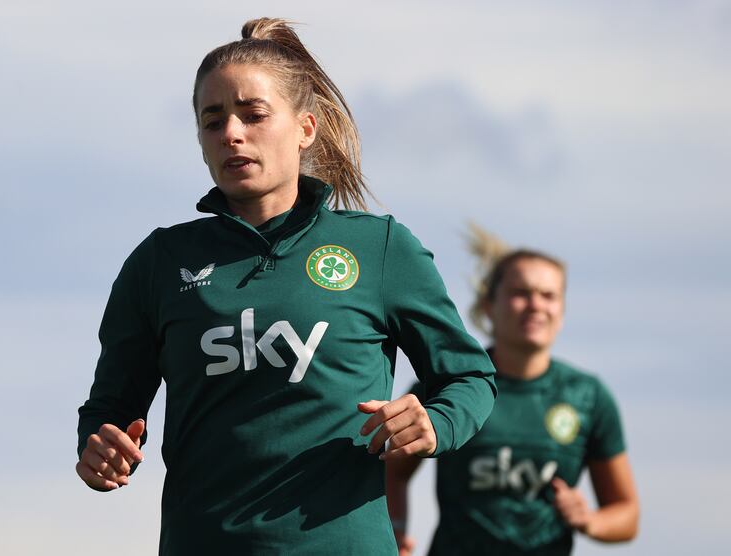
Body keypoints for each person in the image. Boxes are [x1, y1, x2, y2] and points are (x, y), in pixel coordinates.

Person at [75, 18, 497, 556]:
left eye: (253, 115)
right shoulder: (160, 262)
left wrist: (436, 422)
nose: (232, 132)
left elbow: (469, 376)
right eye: (212, 121)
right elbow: (111, 405)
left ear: (306, 129)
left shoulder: (382, 249)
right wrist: (99, 447)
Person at [386, 225, 639, 555]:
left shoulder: (587, 396)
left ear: (562, 311)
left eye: (549, 296)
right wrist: (395, 534)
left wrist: (590, 520)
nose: (535, 305)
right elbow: (391, 471)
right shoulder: (453, 384)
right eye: (521, 292)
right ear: (489, 306)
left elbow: (627, 514)